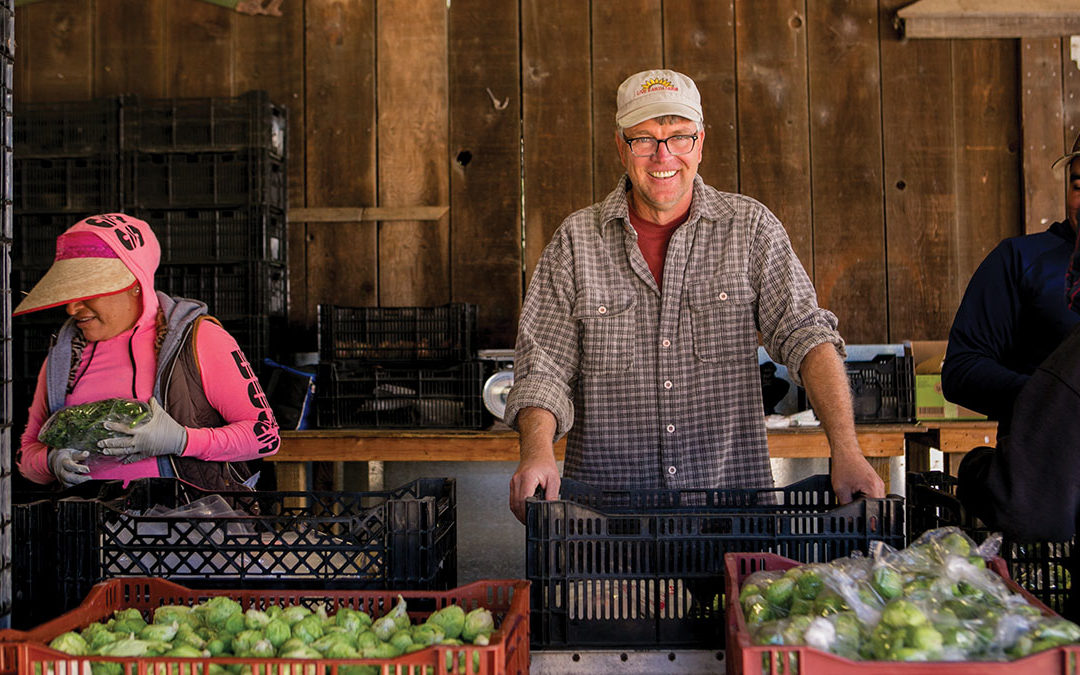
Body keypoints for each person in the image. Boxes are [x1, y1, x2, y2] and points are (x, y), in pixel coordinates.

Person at [505, 69, 884, 523]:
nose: (663, 155)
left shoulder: (750, 229)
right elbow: (543, 369)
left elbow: (807, 335)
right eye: (644, 139)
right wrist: (537, 453)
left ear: (700, 143)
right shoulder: (575, 241)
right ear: (620, 147)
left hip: (732, 516)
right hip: (605, 527)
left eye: (679, 137)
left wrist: (846, 449)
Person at [15, 213, 280, 489]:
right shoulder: (64, 354)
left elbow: (266, 436)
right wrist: (50, 461)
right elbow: (26, 455)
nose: (72, 308)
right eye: (69, 294)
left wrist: (183, 440)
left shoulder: (198, 339)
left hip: (187, 526)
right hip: (90, 528)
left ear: (134, 283)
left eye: (88, 292)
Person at [941, 132, 1080, 437]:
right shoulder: (1019, 260)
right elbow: (961, 369)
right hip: (1043, 469)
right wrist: (1050, 395)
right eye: (1078, 186)